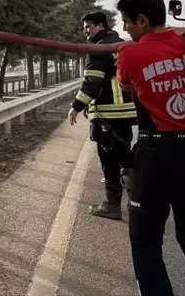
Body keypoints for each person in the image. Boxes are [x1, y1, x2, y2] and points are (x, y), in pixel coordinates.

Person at [114, 0, 185, 296]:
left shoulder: (130, 52)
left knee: (145, 241)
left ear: (141, 21)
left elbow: (127, 89)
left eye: (127, 23)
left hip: (155, 155)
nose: (125, 30)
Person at [67, 11, 138, 220]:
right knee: (128, 160)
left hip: (108, 115)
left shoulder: (98, 49)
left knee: (109, 160)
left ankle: (112, 206)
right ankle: (136, 206)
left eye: (87, 27)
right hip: (131, 113)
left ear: (99, 26)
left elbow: (92, 82)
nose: (85, 32)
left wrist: (76, 106)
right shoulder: (123, 46)